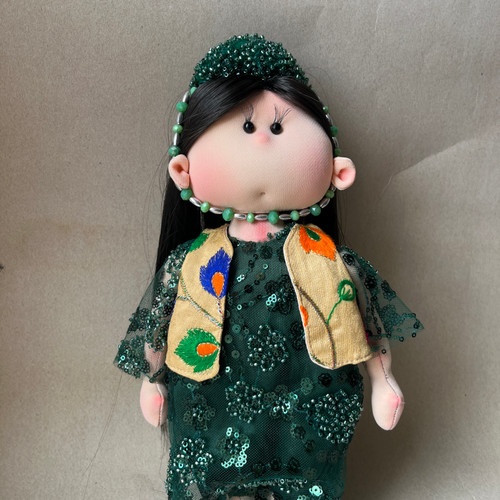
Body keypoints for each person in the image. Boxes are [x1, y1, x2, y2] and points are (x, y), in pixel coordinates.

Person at [114, 34, 423, 500]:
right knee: (219, 461)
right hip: (213, 397)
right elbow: (161, 321)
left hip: (307, 396)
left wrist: (382, 378)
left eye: (278, 128)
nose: (261, 139)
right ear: (183, 171)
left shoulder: (330, 261)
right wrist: (153, 380)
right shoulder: (190, 261)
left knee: (302, 462)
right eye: (245, 126)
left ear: (337, 171)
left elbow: (365, 318)